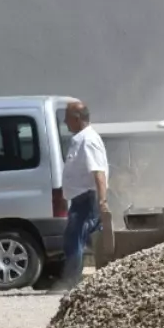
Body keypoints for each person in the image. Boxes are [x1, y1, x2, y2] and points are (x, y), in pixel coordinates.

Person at [54, 100, 109, 292]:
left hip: (87, 198)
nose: (65, 122)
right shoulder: (80, 139)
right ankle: (109, 274)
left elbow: (99, 173)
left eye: (67, 118)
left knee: (74, 239)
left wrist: (102, 201)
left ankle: (71, 283)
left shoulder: (88, 140)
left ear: (77, 119)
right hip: (80, 198)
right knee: (94, 240)